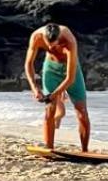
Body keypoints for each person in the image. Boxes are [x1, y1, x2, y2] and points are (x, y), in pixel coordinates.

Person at [25, 22, 92, 152]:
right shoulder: (36, 37)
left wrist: (56, 93)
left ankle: (85, 150)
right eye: (48, 43)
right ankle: (49, 148)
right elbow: (28, 64)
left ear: (59, 38)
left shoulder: (69, 40)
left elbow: (70, 78)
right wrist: (34, 88)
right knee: (50, 109)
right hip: (51, 69)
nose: (50, 46)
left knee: (82, 112)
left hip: (70, 69)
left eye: (54, 44)